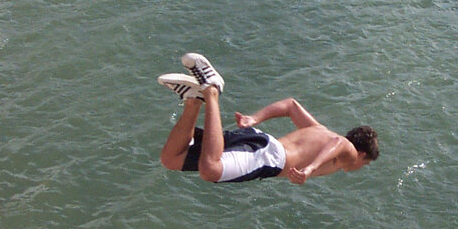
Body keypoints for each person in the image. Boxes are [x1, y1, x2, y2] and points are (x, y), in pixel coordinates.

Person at [158, 53, 379, 184]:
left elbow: (291, 105)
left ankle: (193, 101)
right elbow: (340, 144)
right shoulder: (348, 154)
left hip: (258, 142)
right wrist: (310, 169)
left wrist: (254, 119)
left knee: (172, 159)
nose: (360, 167)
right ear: (361, 154)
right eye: (366, 164)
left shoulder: (319, 130)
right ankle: (211, 90)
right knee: (210, 170)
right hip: (269, 158)